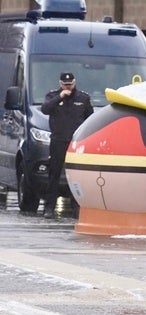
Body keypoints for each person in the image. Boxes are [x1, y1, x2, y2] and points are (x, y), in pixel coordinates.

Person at [40, 72, 93, 219]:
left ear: (74, 83)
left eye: (70, 84)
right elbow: (45, 109)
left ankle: (76, 208)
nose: (68, 86)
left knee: (75, 176)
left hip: (76, 143)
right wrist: (60, 97)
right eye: (65, 84)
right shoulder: (53, 96)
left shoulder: (83, 98)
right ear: (60, 84)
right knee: (54, 175)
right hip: (58, 141)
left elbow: (90, 118)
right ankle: (49, 207)